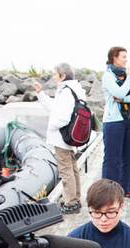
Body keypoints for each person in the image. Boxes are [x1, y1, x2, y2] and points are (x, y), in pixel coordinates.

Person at [34, 62, 87, 215]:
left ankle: (71, 202)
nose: (53, 76)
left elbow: (62, 116)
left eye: (55, 74)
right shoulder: (74, 90)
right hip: (69, 137)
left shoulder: (65, 92)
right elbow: (55, 107)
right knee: (72, 168)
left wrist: (51, 128)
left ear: (63, 76)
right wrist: (41, 94)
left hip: (61, 137)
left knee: (66, 170)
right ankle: (75, 198)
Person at [102, 46, 130, 198]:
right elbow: (118, 92)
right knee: (112, 157)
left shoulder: (127, 75)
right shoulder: (108, 76)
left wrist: (124, 99)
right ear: (114, 58)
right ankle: (108, 192)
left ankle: (125, 187)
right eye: (123, 57)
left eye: (127, 57)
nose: (126, 60)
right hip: (114, 121)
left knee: (129, 156)